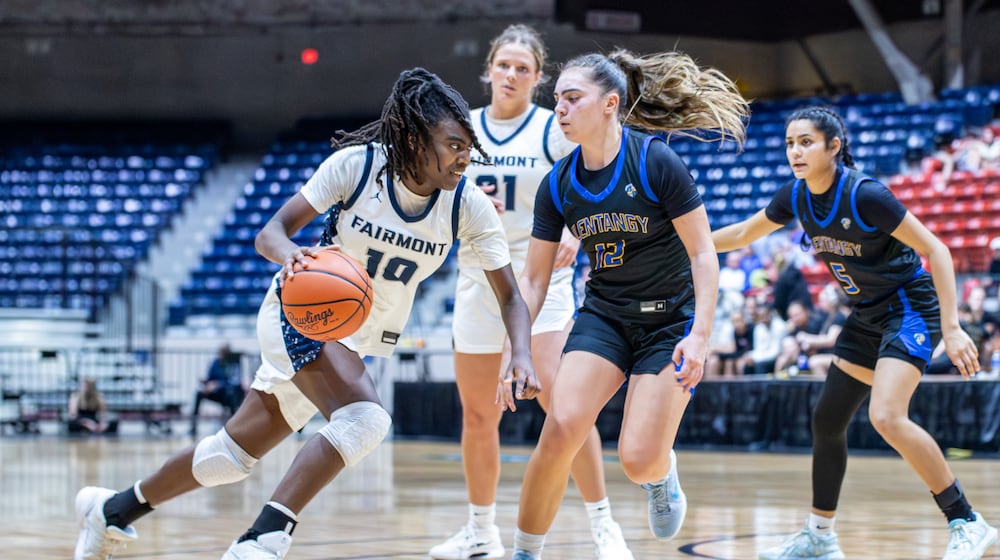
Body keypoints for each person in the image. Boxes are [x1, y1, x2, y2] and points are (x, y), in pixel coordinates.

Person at [71, 67, 538, 560]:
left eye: (469, 146)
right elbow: (269, 232)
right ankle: (262, 539)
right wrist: (290, 253)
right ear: (413, 138)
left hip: (354, 337)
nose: (466, 157)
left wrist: (521, 353)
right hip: (301, 314)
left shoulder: (468, 204)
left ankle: (111, 512)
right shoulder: (357, 168)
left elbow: (509, 295)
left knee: (228, 457)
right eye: (453, 144)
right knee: (364, 420)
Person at [711, 105, 998, 560]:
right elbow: (747, 231)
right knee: (827, 420)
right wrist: (687, 239)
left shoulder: (866, 195)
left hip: (909, 307)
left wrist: (953, 325)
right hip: (866, 313)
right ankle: (820, 537)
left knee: (886, 415)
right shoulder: (796, 196)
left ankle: (966, 520)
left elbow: (937, 249)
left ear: (834, 147)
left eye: (805, 141)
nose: (795, 151)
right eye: (789, 143)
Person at [500, 48, 749, 560]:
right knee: (561, 426)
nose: (561, 110)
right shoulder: (559, 182)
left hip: (670, 323)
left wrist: (700, 335)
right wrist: (516, 350)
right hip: (606, 318)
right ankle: (525, 552)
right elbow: (532, 279)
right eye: (558, 100)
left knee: (637, 460)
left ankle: (661, 476)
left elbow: (703, 254)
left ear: (610, 103)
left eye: (573, 98)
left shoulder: (655, 161)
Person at [432, 24, 631, 560]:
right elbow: (433, 202)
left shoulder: (554, 127)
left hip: (542, 283)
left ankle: (603, 525)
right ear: (489, 70)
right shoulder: (463, 129)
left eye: (524, 68)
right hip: (479, 282)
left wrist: (572, 231)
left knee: (565, 410)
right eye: (504, 65)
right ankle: (480, 532)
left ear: (538, 78)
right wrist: (461, 209)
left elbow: (591, 182)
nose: (512, 75)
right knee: (478, 416)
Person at [190, 343, 245, 436]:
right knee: (199, 393)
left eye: (223, 353)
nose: (220, 355)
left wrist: (218, 384)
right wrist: (205, 382)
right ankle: (193, 427)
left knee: (231, 395)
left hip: (228, 394)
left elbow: (234, 381)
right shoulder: (215, 362)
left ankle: (234, 427)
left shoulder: (233, 364)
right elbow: (210, 378)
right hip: (216, 393)